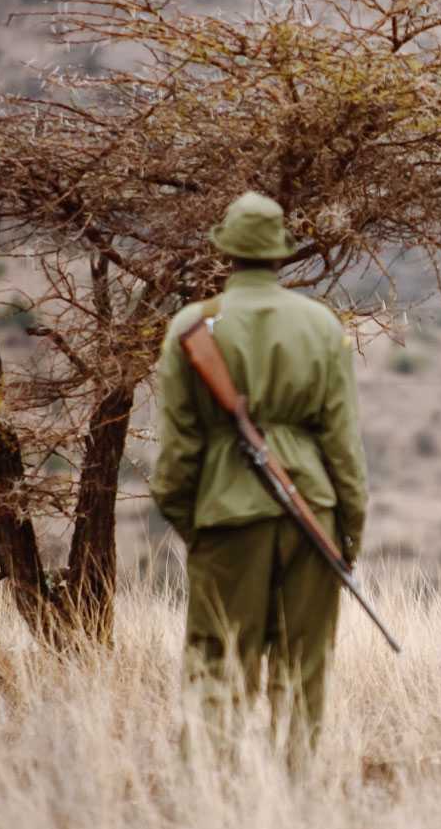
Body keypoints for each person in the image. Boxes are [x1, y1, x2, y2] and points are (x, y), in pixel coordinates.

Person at [152, 192, 369, 761]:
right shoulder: (321, 325)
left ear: (226, 253)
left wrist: (194, 523)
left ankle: (210, 798)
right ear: (280, 256)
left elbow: (175, 454)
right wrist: (348, 530)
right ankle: (294, 797)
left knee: (217, 662)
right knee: (304, 667)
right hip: (313, 515)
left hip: (225, 517)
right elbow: (343, 446)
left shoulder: (191, 326)